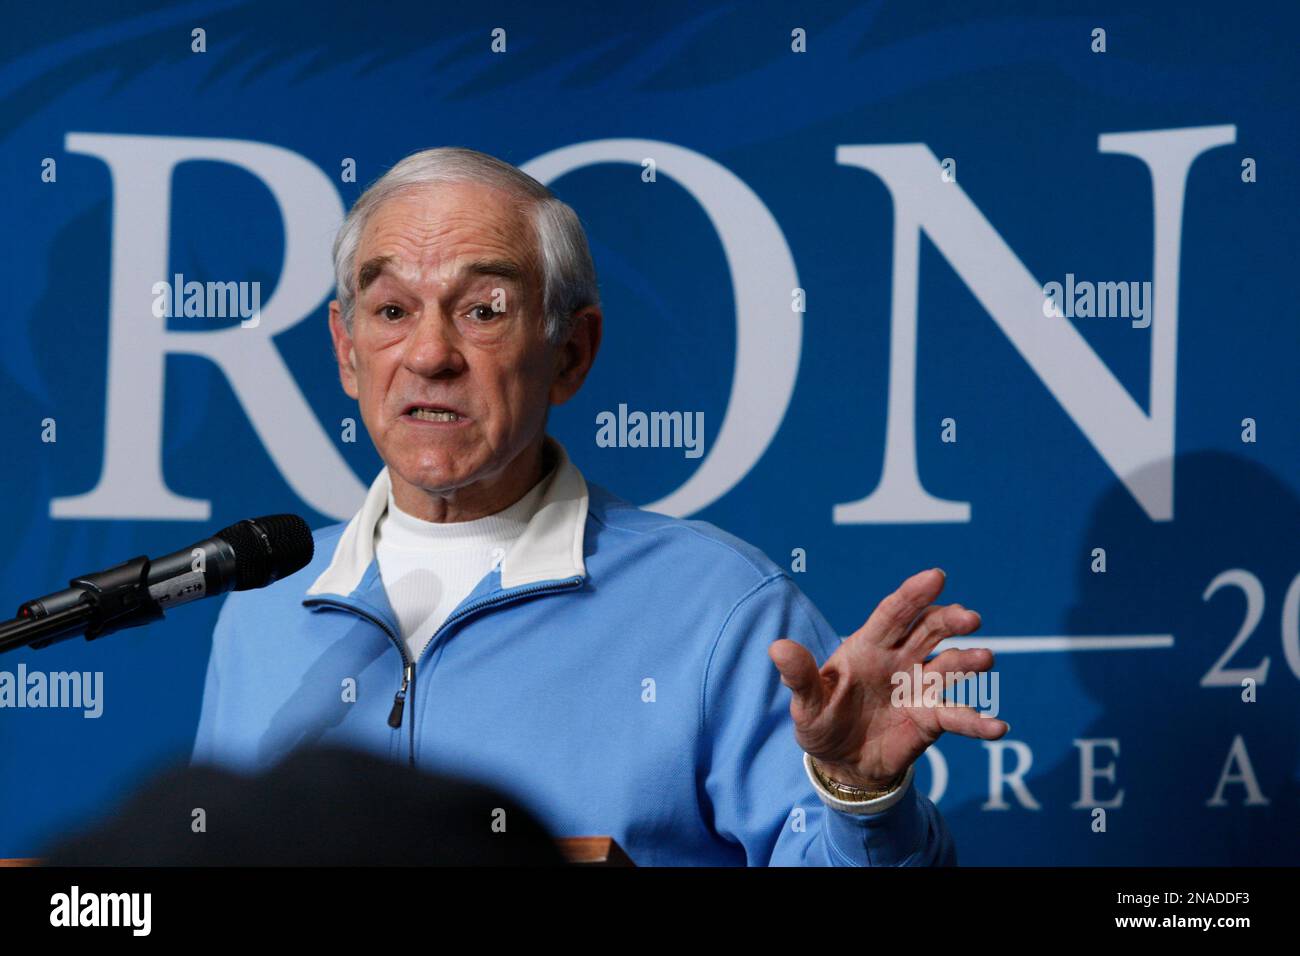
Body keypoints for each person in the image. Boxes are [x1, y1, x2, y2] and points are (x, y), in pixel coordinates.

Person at [191, 146, 1008, 865]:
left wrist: (857, 796)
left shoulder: (721, 610)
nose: (431, 354)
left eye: (483, 310)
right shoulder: (265, 607)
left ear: (571, 353)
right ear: (346, 351)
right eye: (393, 311)